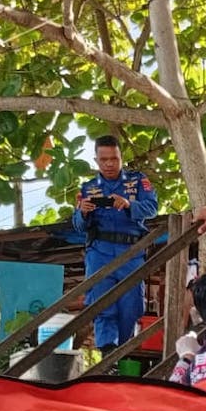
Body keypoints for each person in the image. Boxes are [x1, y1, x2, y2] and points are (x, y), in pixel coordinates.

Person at [73, 135, 160, 353]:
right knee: (102, 304)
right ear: (96, 160)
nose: (109, 164)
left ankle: (123, 350)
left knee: (131, 306)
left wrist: (129, 204)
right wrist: (82, 213)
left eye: (114, 159)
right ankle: (107, 350)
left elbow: (151, 208)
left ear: (121, 157)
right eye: (104, 160)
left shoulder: (137, 181)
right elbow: (78, 226)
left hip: (131, 252)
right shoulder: (88, 188)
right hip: (99, 252)